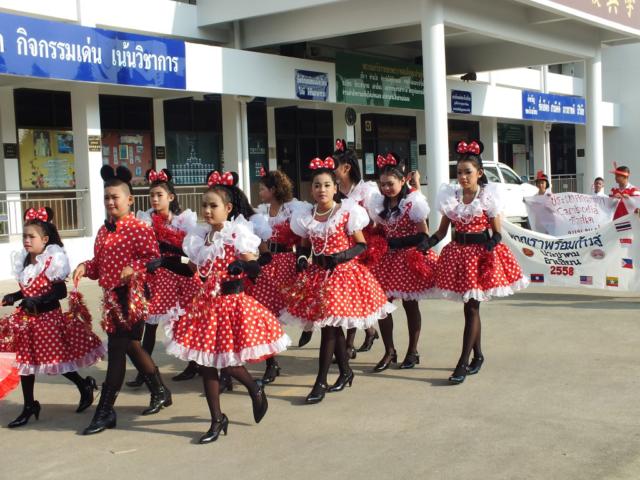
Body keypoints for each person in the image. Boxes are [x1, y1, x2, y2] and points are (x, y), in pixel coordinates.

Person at [163, 170, 290, 444]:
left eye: (213, 205)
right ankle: (217, 419)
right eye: (204, 206)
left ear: (228, 208)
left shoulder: (237, 234)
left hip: (232, 306)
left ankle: (254, 388)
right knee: (206, 364)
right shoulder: (200, 238)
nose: (207, 211)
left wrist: (241, 265)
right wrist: (164, 262)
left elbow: (256, 267)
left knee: (229, 365)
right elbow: (192, 270)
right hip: (206, 308)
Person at [281, 156, 395, 404]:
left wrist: (340, 256)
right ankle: (345, 372)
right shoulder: (306, 215)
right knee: (332, 327)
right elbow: (304, 246)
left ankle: (321, 381)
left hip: (343, 276)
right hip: (318, 277)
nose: (321, 190)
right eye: (317, 185)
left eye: (326, 185)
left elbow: (361, 245)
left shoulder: (346, 212)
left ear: (335, 188)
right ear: (311, 190)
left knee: (329, 329)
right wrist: (302, 259)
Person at [73, 165, 172, 435]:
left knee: (117, 349)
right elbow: (98, 265)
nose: (110, 202)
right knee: (131, 347)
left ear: (129, 200)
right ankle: (160, 391)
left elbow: (153, 261)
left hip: (133, 297)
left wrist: (134, 269)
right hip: (112, 300)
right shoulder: (103, 231)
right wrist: (84, 266)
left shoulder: (139, 228)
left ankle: (105, 410)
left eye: (115, 197)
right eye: (106, 197)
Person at [426, 140, 528, 384]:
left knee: (472, 308)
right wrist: (425, 243)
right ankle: (478, 356)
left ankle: (462, 362)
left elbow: (497, 232)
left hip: (479, 258)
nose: (462, 177)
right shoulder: (451, 198)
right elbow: (441, 232)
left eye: (467, 172)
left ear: (479, 173)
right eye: (459, 172)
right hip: (458, 255)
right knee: (470, 308)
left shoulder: (488, 197)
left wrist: (492, 243)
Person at [2, 207, 105, 428]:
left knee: (55, 362)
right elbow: (28, 289)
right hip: (27, 321)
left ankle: (83, 384)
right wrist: (15, 296)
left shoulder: (53, 260)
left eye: (31, 237)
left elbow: (60, 292)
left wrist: (37, 301)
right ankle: (29, 405)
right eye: (24, 236)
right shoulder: (24, 261)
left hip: (48, 320)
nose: (26, 241)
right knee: (25, 364)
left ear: (45, 239)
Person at [124, 168, 201, 387]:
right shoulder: (146, 219)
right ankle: (144, 370)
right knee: (149, 325)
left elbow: (191, 253)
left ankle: (194, 364)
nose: (155, 199)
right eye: (152, 195)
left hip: (180, 275)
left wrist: (168, 250)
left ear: (171, 197)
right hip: (155, 277)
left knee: (188, 321)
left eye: (159, 195)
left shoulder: (184, 220)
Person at [367, 153, 438, 371]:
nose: (386, 188)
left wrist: (398, 242)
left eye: (391, 183)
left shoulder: (412, 203)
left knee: (410, 305)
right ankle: (389, 351)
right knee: (382, 306)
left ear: (402, 181)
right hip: (386, 260)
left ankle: (412, 351)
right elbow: (379, 230)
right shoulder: (380, 204)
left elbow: (424, 235)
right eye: (383, 184)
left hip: (407, 258)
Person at [249, 168, 303, 385]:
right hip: (267, 263)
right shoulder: (261, 212)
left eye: (263, 188)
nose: (260, 192)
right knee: (265, 314)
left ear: (273, 189)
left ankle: (354, 337)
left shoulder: (293, 210)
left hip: (287, 263)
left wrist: (300, 260)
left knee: (302, 306)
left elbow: (302, 236)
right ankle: (271, 363)